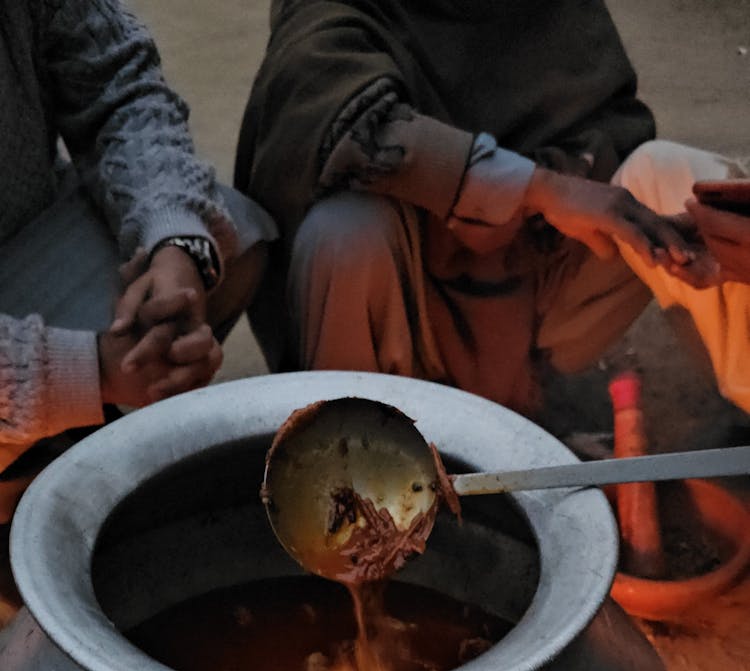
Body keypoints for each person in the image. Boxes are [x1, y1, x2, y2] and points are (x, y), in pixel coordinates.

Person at [235, 0, 749, 418]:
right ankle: (353, 477)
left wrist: (548, 194)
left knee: (666, 177)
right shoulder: (328, 12)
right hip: (405, 307)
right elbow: (345, 129)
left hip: (533, 290)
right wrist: (537, 189)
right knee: (345, 232)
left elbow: (610, 127)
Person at [0, 0, 276, 513]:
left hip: (30, 234)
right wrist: (85, 371)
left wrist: (175, 243)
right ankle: (28, 499)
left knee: (229, 238)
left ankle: (53, 457)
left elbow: (115, 84)